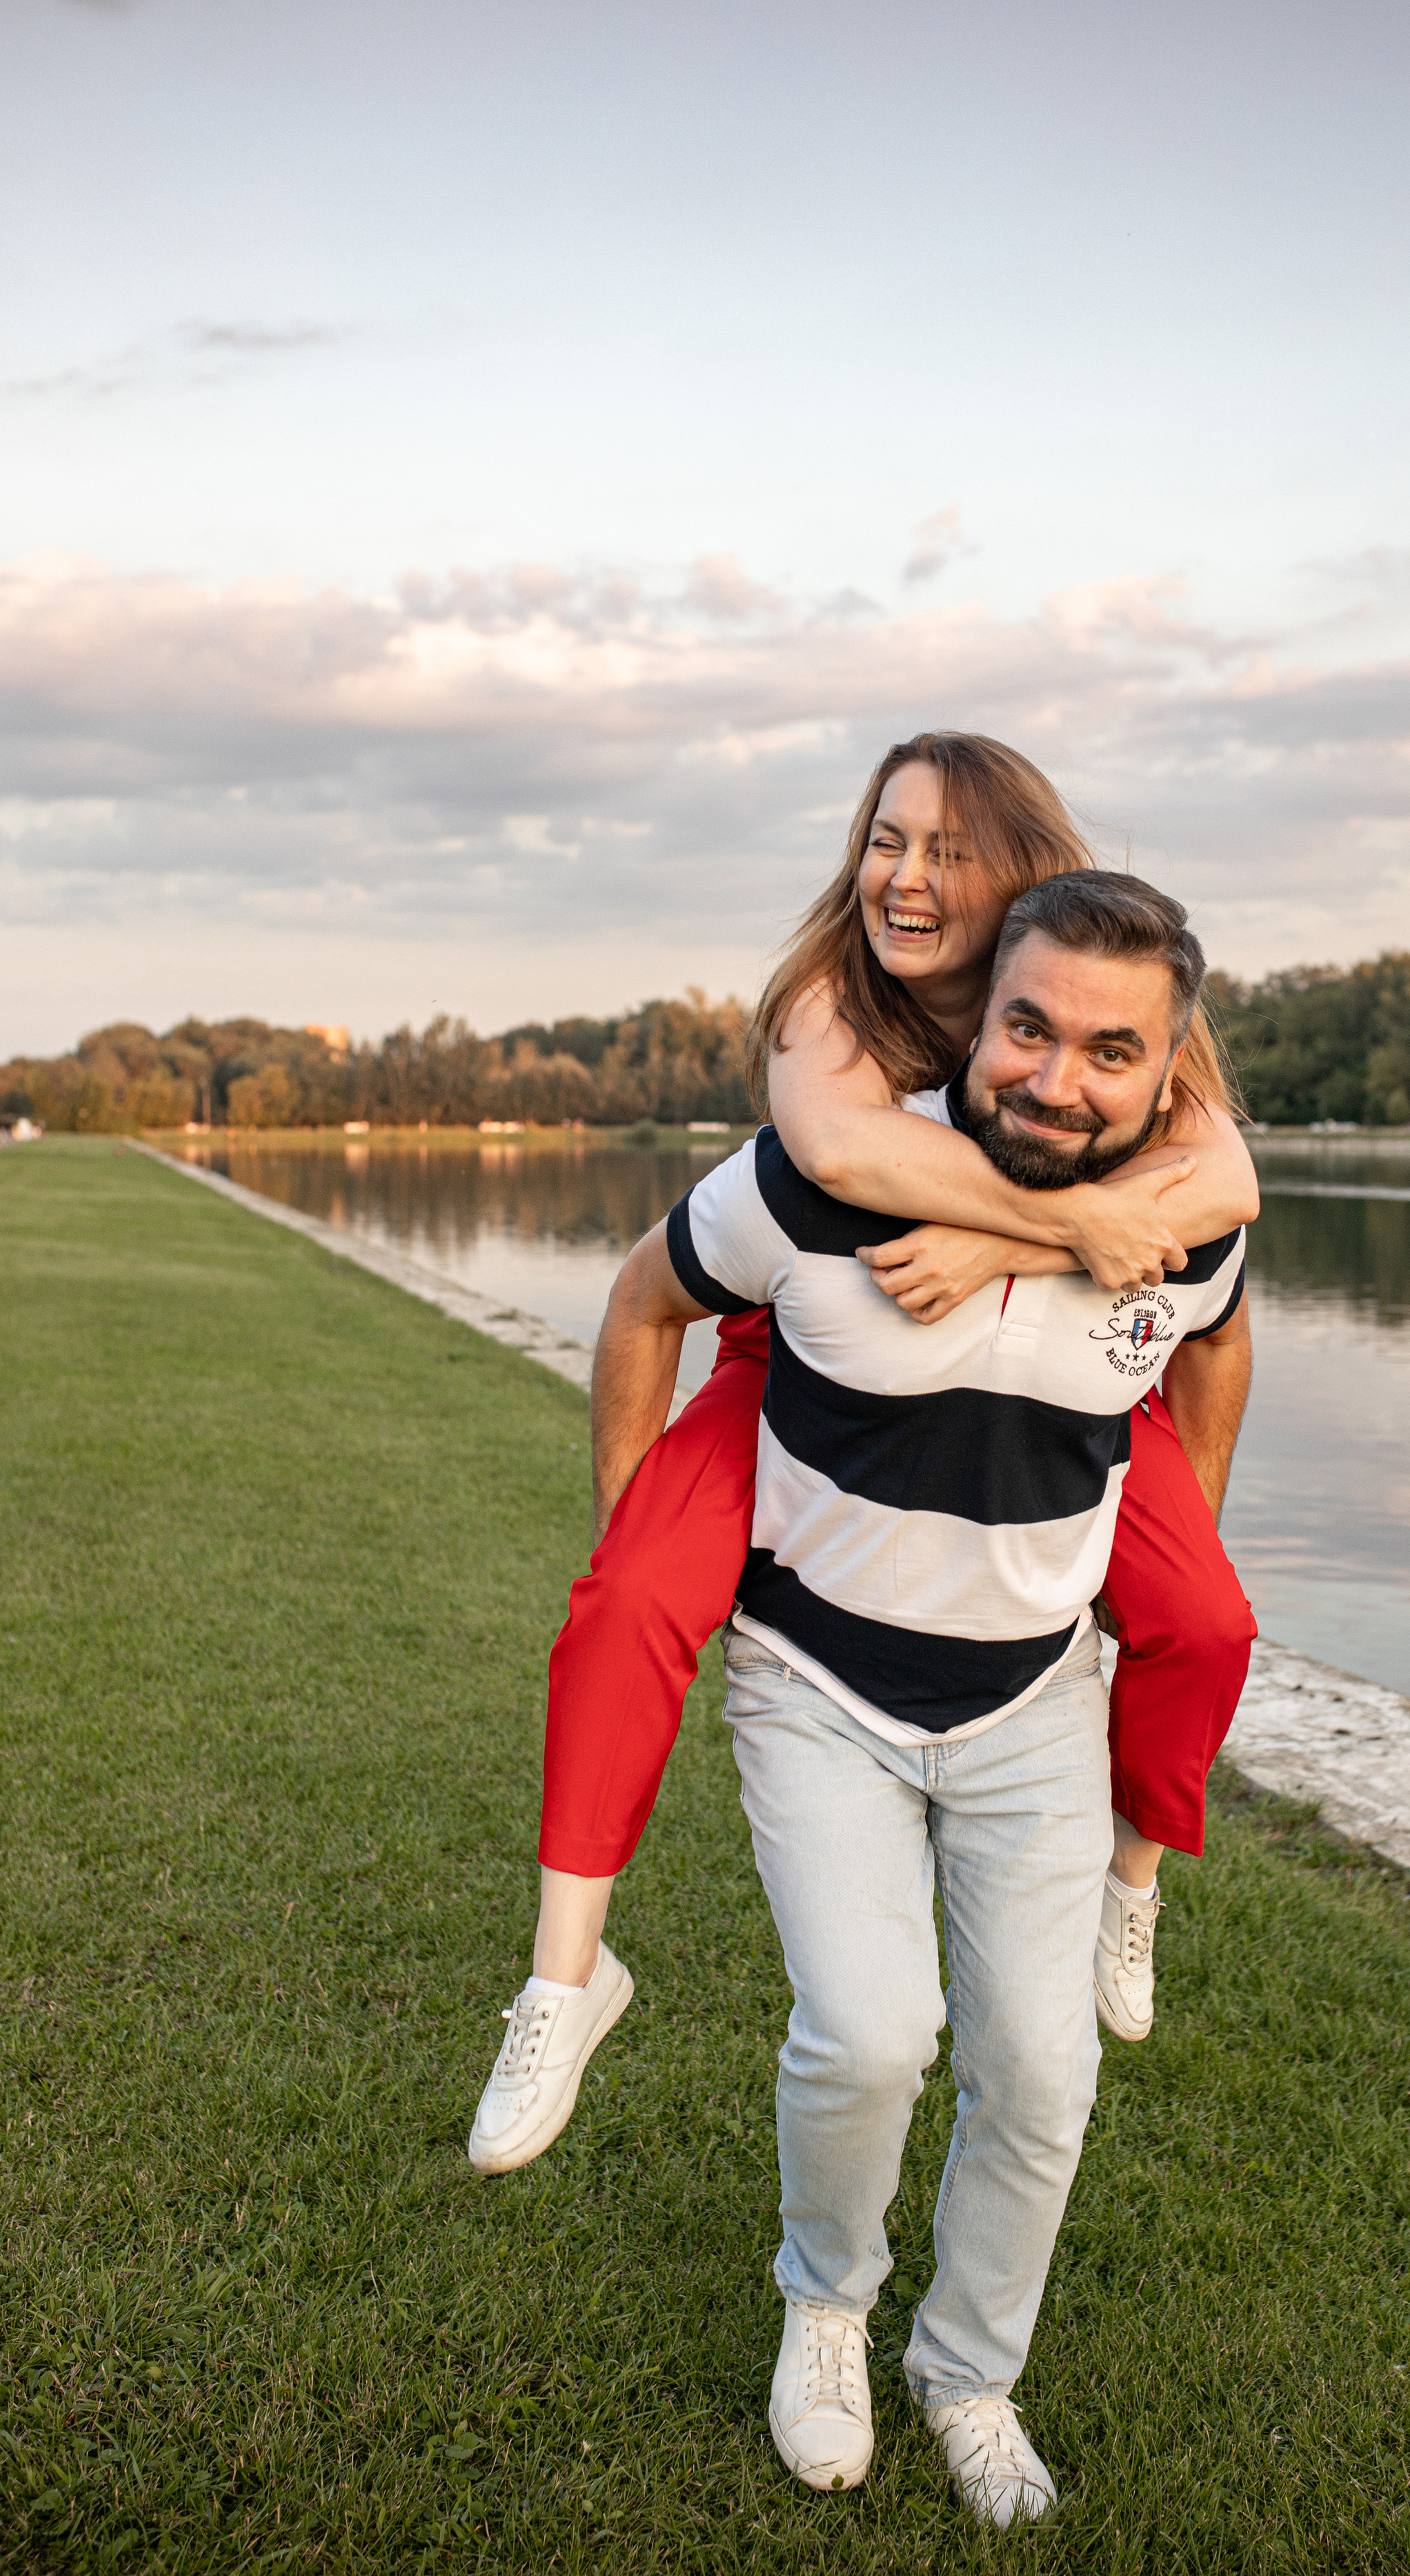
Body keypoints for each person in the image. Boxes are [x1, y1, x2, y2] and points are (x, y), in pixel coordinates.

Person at [468, 735, 1258, 2185]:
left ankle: (1131, 1884)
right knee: (632, 1595)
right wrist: (1062, 1221)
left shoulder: (1103, 988)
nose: (901, 875)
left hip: (1058, 1390)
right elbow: (837, 1160)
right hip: (807, 1350)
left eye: (944, 851)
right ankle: (564, 1981)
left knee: (1205, 1618)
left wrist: (1005, 1243)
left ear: (1020, 874)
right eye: (883, 839)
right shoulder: (828, 1002)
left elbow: (1222, 1187)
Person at [586, 870, 1253, 2521]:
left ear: (1167, 1076)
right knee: (872, 2033)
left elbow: (1219, 1339)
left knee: (1037, 2074)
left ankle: (968, 2374)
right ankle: (825, 2305)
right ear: (980, 1018)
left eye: (1111, 1050)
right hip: (816, 1680)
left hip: (1037, 1705)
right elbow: (640, 1300)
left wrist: (1171, 1548)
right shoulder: (820, 1184)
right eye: (1024, 1026)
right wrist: (638, 1552)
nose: (1053, 1075)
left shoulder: (1191, 1221)